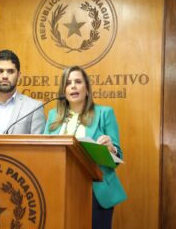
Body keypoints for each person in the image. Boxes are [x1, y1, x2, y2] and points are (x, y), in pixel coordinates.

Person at [44, 66, 126, 229]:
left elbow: (118, 158)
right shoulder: (54, 115)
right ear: (64, 91)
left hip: (95, 192)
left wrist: (111, 148)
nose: (73, 86)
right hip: (61, 189)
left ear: (87, 89)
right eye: (68, 83)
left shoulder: (104, 113)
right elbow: (45, 151)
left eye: (78, 82)